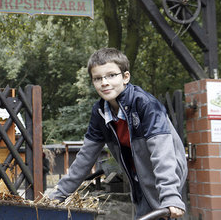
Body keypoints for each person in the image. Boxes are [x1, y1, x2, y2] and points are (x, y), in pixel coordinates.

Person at [49, 48, 187, 219]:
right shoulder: (100, 112)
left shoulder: (145, 104)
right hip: (139, 180)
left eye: (111, 75)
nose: (104, 82)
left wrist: (170, 195)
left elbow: (162, 154)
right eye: (98, 78)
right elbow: (85, 158)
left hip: (168, 178)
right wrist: (58, 196)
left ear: (125, 77)